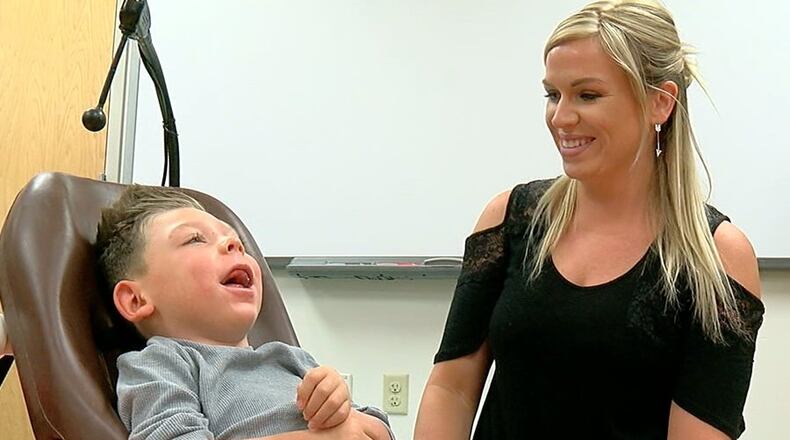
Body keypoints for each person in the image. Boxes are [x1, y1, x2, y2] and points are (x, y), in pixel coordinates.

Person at [414, 1, 764, 439]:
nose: (561, 117)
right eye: (552, 94)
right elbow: (452, 389)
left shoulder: (717, 259)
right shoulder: (510, 219)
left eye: (587, 95)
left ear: (660, 102)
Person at [96, 185, 393, 440]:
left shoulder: (290, 358)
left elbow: (378, 430)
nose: (233, 243)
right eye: (195, 239)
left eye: (234, 240)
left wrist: (340, 403)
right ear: (135, 300)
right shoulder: (162, 363)